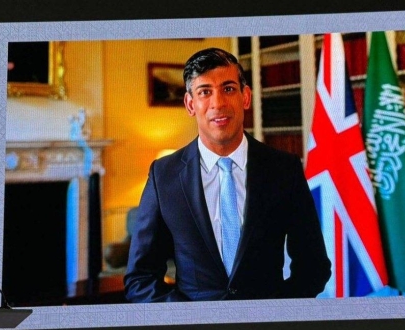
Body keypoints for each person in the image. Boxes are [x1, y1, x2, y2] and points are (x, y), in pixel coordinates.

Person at [124, 48, 331, 302]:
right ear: (190, 104)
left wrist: (277, 313)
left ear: (245, 97)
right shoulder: (164, 176)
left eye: (229, 89)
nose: (218, 103)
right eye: (205, 92)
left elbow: (314, 267)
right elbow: (140, 278)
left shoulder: (284, 169)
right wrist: (184, 318)